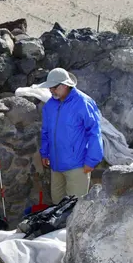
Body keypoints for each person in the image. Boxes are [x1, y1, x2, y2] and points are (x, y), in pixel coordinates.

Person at [37, 68, 104, 204]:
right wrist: (45, 153)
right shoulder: (50, 105)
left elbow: (94, 133)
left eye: (54, 87)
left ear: (65, 85)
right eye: (50, 87)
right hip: (56, 165)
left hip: (77, 166)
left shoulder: (83, 103)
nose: (51, 91)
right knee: (57, 206)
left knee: (74, 208)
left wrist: (91, 161)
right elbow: (46, 131)